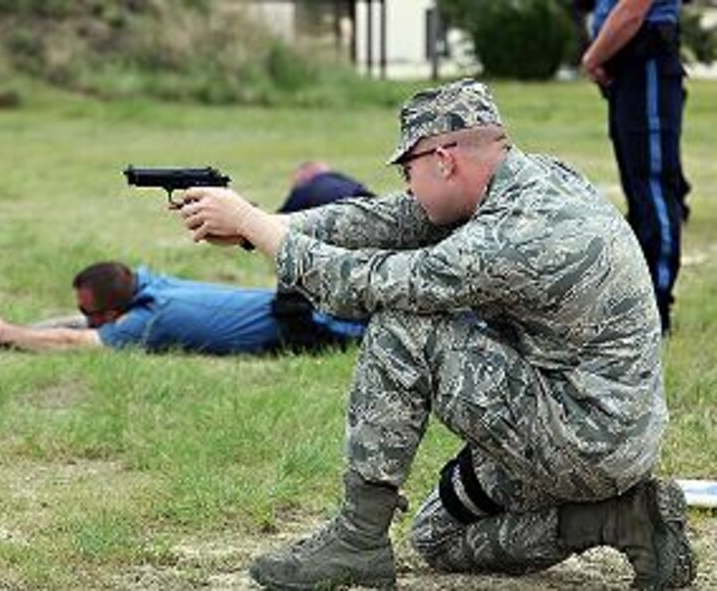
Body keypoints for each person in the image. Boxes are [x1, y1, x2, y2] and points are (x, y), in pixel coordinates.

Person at [178, 79, 696, 589]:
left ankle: (357, 540)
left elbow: (361, 285)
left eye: (409, 170)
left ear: (444, 161)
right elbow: (390, 219)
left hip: (580, 439)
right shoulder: (534, 180)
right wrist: (260, 225)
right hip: (601, 430)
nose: (407, 186)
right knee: (436, 539)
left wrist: (248, 219)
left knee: (403, 325)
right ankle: (620, 519)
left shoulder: (510, 236)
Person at [0, 261, 365, 354]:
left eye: (95, 314)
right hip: (298, 304)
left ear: (117, 312)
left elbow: (73, 341)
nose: (89, 319)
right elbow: (83, 324)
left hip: (311, 328)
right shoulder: (152, 284)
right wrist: (18, 325)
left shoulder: (152, 319)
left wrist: (7, 335)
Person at [581, 0, 690, 333]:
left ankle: (657, 306)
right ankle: (639, 303)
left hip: (648, 61)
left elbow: (632, 10)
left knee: (653, 186)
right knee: (639, 192)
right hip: (628, 68)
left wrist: (593, 56)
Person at [278, 161, 375, 214]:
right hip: (367, 203)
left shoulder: (307, 187)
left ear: (308, 172)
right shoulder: (340, 178)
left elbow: (283, 215)